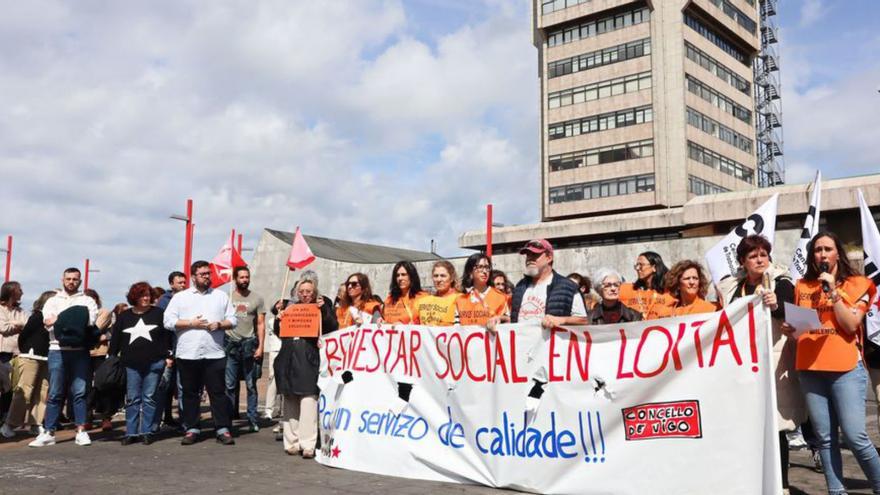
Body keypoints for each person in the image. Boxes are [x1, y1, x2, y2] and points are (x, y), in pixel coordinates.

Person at [784, 231, 880, 494]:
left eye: (827, 249)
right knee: (825, 440)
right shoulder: (802, 286)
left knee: (855, 436)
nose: (822, 254)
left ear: (838, 253)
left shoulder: (858, 284)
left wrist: (834, 293)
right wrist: (789, 329)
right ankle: (836, 492)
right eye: (817, 250)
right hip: (811, 371)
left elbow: (850, 325)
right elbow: (799, 331)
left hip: (846, 371)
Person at [716, 235, 803, 493]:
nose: (760, 259)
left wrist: (777, 307)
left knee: (775, 429)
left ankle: (781, 486)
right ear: (742, 261)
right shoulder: (732, 288)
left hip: (774, 364)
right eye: (753, 256)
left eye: (764, 254)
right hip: (742, 365)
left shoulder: (782, 283)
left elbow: (797, 317)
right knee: (746, 426)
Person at [163, 260, 237, 446]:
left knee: (218, 393)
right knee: (189, 394)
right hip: (188, 353)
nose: (207, 277)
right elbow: (168, 321)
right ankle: (192, 428)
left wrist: (220, 324)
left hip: (214, 354)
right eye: (203, 274)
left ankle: (222, 428)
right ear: (193, 276)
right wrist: (190, 323)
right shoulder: (180, 297)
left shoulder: (220, 296)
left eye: (208, 273)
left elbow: (232, 320)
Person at [29, 267, 99, 447]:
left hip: (80, 351)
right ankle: (49, 432)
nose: (71, 282)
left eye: (75, 279)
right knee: (55, 392)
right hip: (56, 350)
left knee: (80, 392)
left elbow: (88, 322)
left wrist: (60, 320)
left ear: (80, 281)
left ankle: (81, 430)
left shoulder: (87, 300)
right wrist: (73, 318)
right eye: (68, 279)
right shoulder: (52, 300)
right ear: (62, 280)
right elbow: (48, 324)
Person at [273, 270, 337, 458]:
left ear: (315, 292)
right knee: (290, 402)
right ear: (297, 292)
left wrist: (324, 309)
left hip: (308, 360)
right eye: (302, 291)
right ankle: (291, 441)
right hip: (288, 359)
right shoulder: (290, 308)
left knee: (309, 401)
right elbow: (280, 332)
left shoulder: (321, 307)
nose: (305, 294)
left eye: (309, 291)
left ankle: (308, 443)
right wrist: (279, 319)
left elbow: (332, 326)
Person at [108, 282, 173, 445]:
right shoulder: (124, 316)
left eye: (148, 295)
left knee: (149, 397)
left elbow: (167, 336)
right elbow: (115, 339)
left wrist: (168, 356)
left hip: (155, 362)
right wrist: (112, 357)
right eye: (142, 295)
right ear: (134, 297)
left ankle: (147, 431)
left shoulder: (159, 313)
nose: (146, 298)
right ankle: (131, 432)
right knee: (132, 398)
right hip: (130, 363)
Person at [1, 291, 53, 438]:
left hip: (46, 357)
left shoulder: (54, 318)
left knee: (42, 392)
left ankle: (36, 423)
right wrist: (27, 349)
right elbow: (24, 335)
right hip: (30, 356)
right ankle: (9, 424)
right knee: (25, 391)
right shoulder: (37, 316)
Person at [509, 239, 587, 328]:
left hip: (553, 341)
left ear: (549, 257)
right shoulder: (520, 286)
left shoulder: (568, 287)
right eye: (528, 255)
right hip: (523, 341)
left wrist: (561, 320)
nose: (530, 258)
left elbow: (583, 320)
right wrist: (500, 319)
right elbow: (514, 318)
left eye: (535, 254)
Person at [225, 266, 265, 432]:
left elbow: (261, 324)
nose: (245, 280)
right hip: (230, 345)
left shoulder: (257, 298)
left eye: (247, 277)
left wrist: (261, 347)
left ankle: (252, 419)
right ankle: (226, 421)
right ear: (235, 279)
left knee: (251, 385)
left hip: (249, 345)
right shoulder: (226, 297)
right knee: (229, 385)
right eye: (241, 277)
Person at [84, 288, 115, 431]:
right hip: (83, 353)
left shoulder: (104, 312)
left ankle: (106, 417)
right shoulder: (81, 313)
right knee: (85, 387)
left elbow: (95, 328)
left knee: (103, 385)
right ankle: (86, 417)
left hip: (100, 354)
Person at [0, 281, 28, 431]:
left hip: (17, 352)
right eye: (19, 290)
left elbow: (27, 325)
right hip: (2, 352)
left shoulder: (21, 310)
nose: (22, 292)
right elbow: (3, 328)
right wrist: (18, 325)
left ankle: (5, 416)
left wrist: (14, 324)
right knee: (3, 386)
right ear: (11, 292)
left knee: (11, 388)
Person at [456, 254, 509, 326]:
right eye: (480, 267)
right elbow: (455, 328)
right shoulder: (460, 300)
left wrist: (501, 318)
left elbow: (510, 323)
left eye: (487, 267)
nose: (484, 271)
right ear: (470, 272)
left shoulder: (501, 297)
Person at [619, 251, 670, 320]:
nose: (637, 268)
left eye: (641, 265)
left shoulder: (669, 291)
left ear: (654, 267)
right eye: (636, 265)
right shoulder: (627, 289)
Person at [415, 261, 461, 326]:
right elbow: (413, 323)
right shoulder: (423, 301)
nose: (439, 280)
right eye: (436, 276)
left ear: (451, 278)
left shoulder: (460, 299)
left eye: (443, 276)